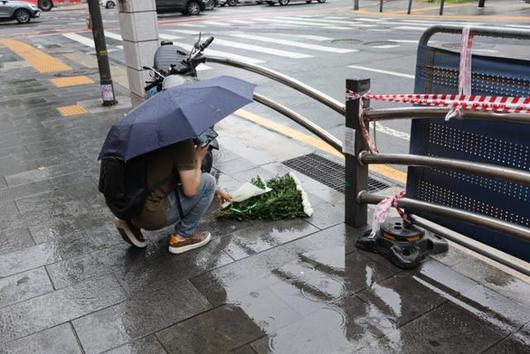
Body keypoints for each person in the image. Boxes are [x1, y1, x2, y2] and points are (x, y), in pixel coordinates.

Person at [112, 139, 232, 254]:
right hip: (151, 215)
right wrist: (198, 158)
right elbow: (191, 190)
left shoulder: (144, 137)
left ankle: (130, 223)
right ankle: (182, 237)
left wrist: (217, 190)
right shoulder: (182, 142)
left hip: (129, 206)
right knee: (209, 181)